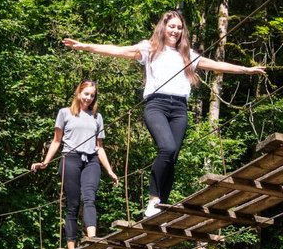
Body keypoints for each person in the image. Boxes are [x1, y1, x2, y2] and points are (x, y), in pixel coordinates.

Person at [63, 11, 266, 219]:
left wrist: (245, 70)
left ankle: (163, 204)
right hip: (156, 105)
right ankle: (153, 200)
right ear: (163, 27)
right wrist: (86, 46)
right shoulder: (150, 49)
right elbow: (118, 51)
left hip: (179, 109)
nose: (175, 31)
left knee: (173, 157)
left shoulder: (188, 55)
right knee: (167, 149)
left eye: (179, 28)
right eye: (172, 27)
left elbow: (216, 65)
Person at [31, 79, 121, 249]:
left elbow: (99, 148)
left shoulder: (97, 117)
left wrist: (109, 170)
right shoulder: (64, 113)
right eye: (86, 94)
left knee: (89, 197)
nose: (88, 98)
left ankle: (92, 239)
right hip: (70, 159)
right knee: (73, 204)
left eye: (92, 96)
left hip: (91, 161)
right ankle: (71, 248)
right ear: (79, 93)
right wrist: (45, 162)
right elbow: (57, 141)